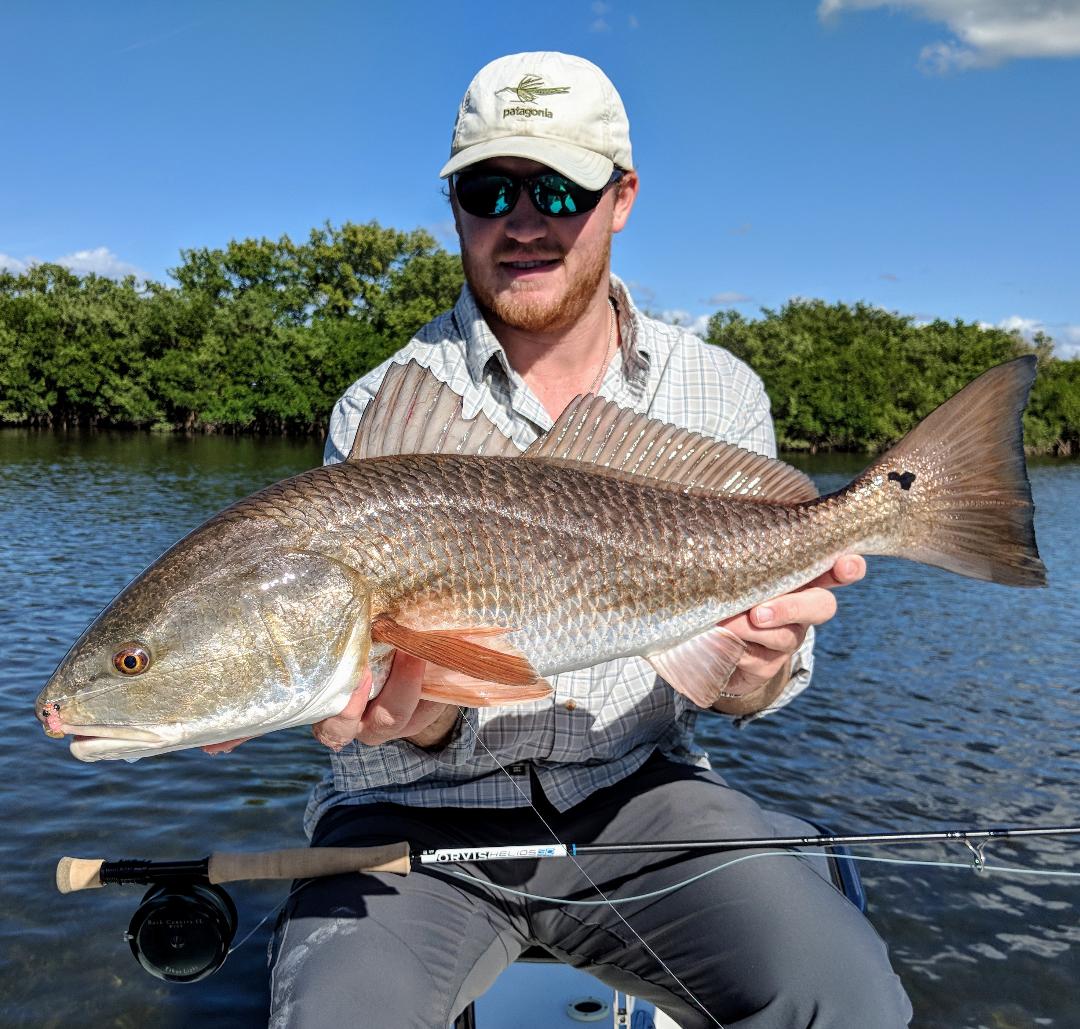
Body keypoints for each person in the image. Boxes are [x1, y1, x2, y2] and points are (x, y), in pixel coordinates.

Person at [267, 52, 912, 1028]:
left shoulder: (719, 393)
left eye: (559, 189)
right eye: (489, 190)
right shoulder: (381, 405)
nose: (522, 220)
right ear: (455, 209)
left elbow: (747, 686)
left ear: (622, 197)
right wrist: (418, 711)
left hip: (639, 800)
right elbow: (416, 688)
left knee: (846, 997)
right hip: (412, 824)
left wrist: (760, 661)